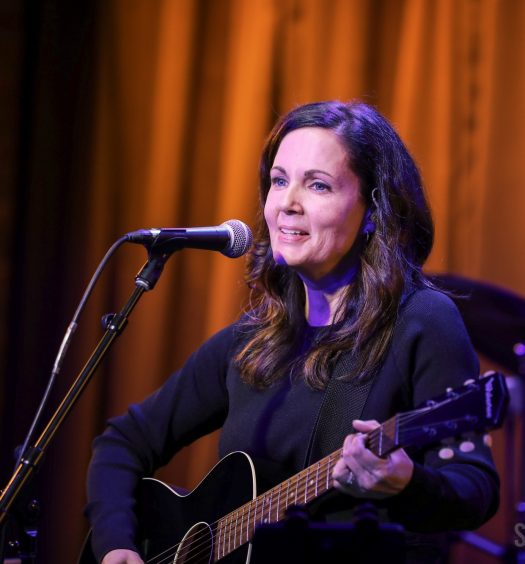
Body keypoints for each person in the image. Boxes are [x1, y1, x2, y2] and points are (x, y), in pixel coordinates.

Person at [84, 101, 500, 563]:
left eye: (317, 185)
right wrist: (116, 545)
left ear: (372, 212)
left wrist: (407, 484)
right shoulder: (250, 342)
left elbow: (475, 488)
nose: (287, 204)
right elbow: (123, 442)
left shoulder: (421, 321)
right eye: (279, 181)